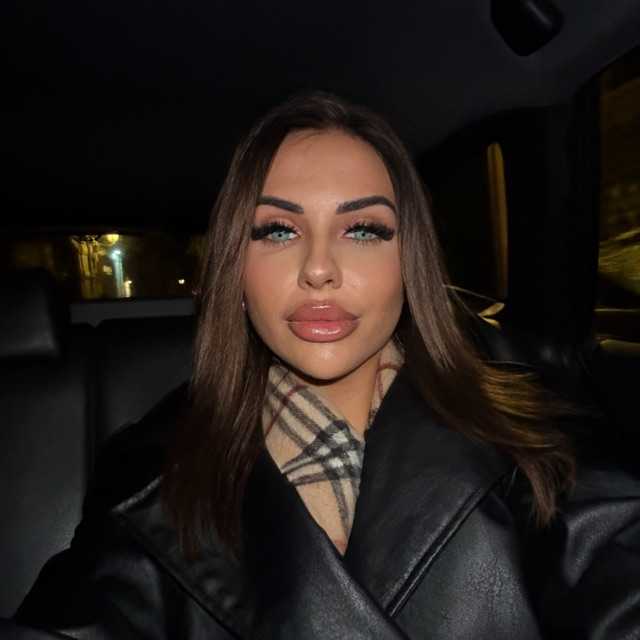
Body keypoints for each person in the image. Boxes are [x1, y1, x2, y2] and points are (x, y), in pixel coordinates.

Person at [5, 92, 640, 639]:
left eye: (363, 230)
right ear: (235, 269)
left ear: (409, 262)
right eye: (278, 231)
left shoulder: (533, 422)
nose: (317, 269)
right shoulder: (148, 476)